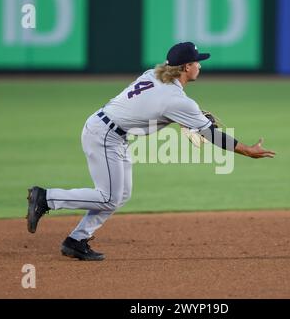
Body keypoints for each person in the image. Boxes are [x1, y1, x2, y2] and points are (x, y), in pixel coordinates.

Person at [26, 42, 276, 261]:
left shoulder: (153, 75)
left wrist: (186, 121)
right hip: (105, 136)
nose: (200, 66)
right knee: (108, 197)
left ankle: (76, 240)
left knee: (120, 194)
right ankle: (46, 198)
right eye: (197, 62)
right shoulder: (179, 101)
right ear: (187, 67)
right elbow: (211, 134)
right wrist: (248, 151)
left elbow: (152, 106)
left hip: (108, 130)